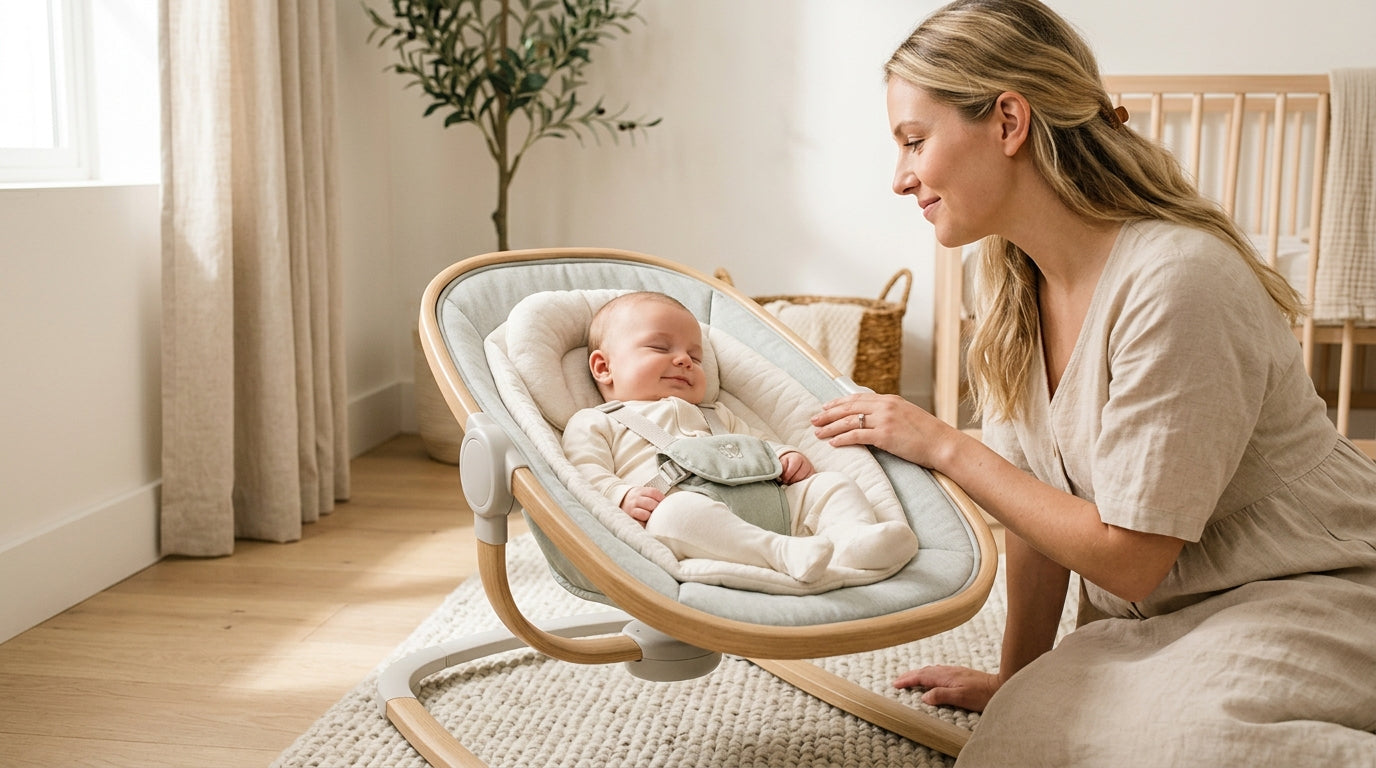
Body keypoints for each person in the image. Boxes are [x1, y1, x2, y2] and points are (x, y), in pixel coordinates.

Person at [811, 0, 1376, 764]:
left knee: (1181, 746)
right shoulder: (1012, 280)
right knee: (1024, 737)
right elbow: (1036, 511)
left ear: (1008, 122)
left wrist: (944, 445)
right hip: (1157, 617)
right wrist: (1017, 677)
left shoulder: (1178, 280)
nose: (901, 177)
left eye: (915, 141)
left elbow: (1129, 556)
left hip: (1316, 589)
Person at [562, 291, 918, 583]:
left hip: (771, 504)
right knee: (675, 517)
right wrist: (620, 495)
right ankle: (780, 552)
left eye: (695, 356)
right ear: (604, 367)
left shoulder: (717, 413)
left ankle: (853, 540)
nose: (685, 360)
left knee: (831, 484)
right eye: (660, 348)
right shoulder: (595, 421)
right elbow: (582, 477)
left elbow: (756, 443)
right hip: (692, 515)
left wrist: (782, 455)